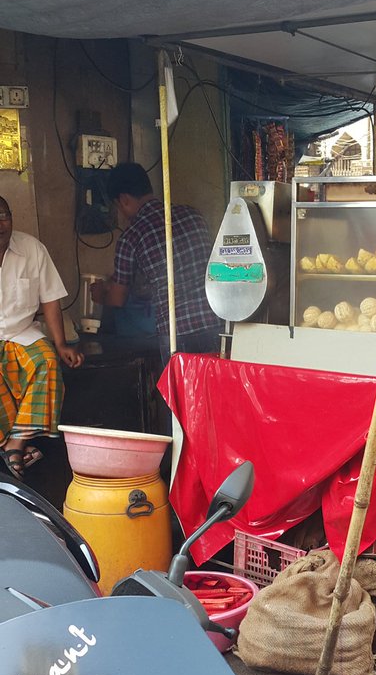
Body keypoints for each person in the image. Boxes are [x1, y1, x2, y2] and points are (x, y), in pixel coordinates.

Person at [92, 163, 221, 365]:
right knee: (216, 382)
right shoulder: (193, 215)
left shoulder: (131, 236)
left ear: (124, 200)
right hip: (214, 320)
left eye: (118, 207)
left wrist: (100, 295)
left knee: (181, 385)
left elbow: (117, 299)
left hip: (177, 332)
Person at [0, 197, 83, 478]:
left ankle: (17, 442)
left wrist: (61, 344)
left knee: (46, 361)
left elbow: (50, 299)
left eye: (3, 216)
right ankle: (11, 448)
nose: (0, 224)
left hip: (22, 332)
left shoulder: (32, 248)